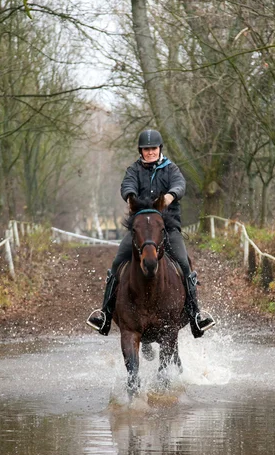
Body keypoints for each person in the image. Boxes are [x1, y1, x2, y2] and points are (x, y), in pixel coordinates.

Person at [87, 129, 214, 338]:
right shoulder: (134, 170)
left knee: (183, 263)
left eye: (153, 148)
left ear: (159, 149)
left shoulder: (171, 168)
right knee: (117, 261)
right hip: (140, 229)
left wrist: (171, 196)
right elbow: (126, 185)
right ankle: (105, 315)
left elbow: (180, 184)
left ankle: (195, 316)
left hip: (167, 227)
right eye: (146, 149)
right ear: (141, 151)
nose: (150, 152)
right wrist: (130, 196)